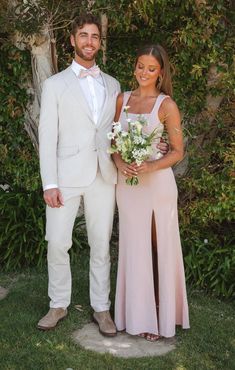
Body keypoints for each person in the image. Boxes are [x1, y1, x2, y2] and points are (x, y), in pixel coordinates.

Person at [37, 13, 120, 336]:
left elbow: (115, 132)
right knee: (57, 242)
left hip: (104, 175)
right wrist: (50, 182)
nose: (89, 41)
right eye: (83, 35)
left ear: (100, 42)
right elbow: (48, 137)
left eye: (94, 36)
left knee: (101, 245)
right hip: (65, 177)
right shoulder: (54, 85)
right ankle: (58, 303)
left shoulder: (113, 84)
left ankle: (101, 308)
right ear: (72, 40)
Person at [113, 44, 190, 341]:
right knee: (134, 246)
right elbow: (113, 143)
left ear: (160, 73)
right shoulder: (122, 100)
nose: (143, 72)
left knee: (157, 246)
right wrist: (120, 163)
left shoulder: (167, 105)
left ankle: (159, 316)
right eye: (140, 66)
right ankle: (135, 313)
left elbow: (178, 151)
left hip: (156, 185)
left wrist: (151, 165)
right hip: (128, 186)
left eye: (151, 68)